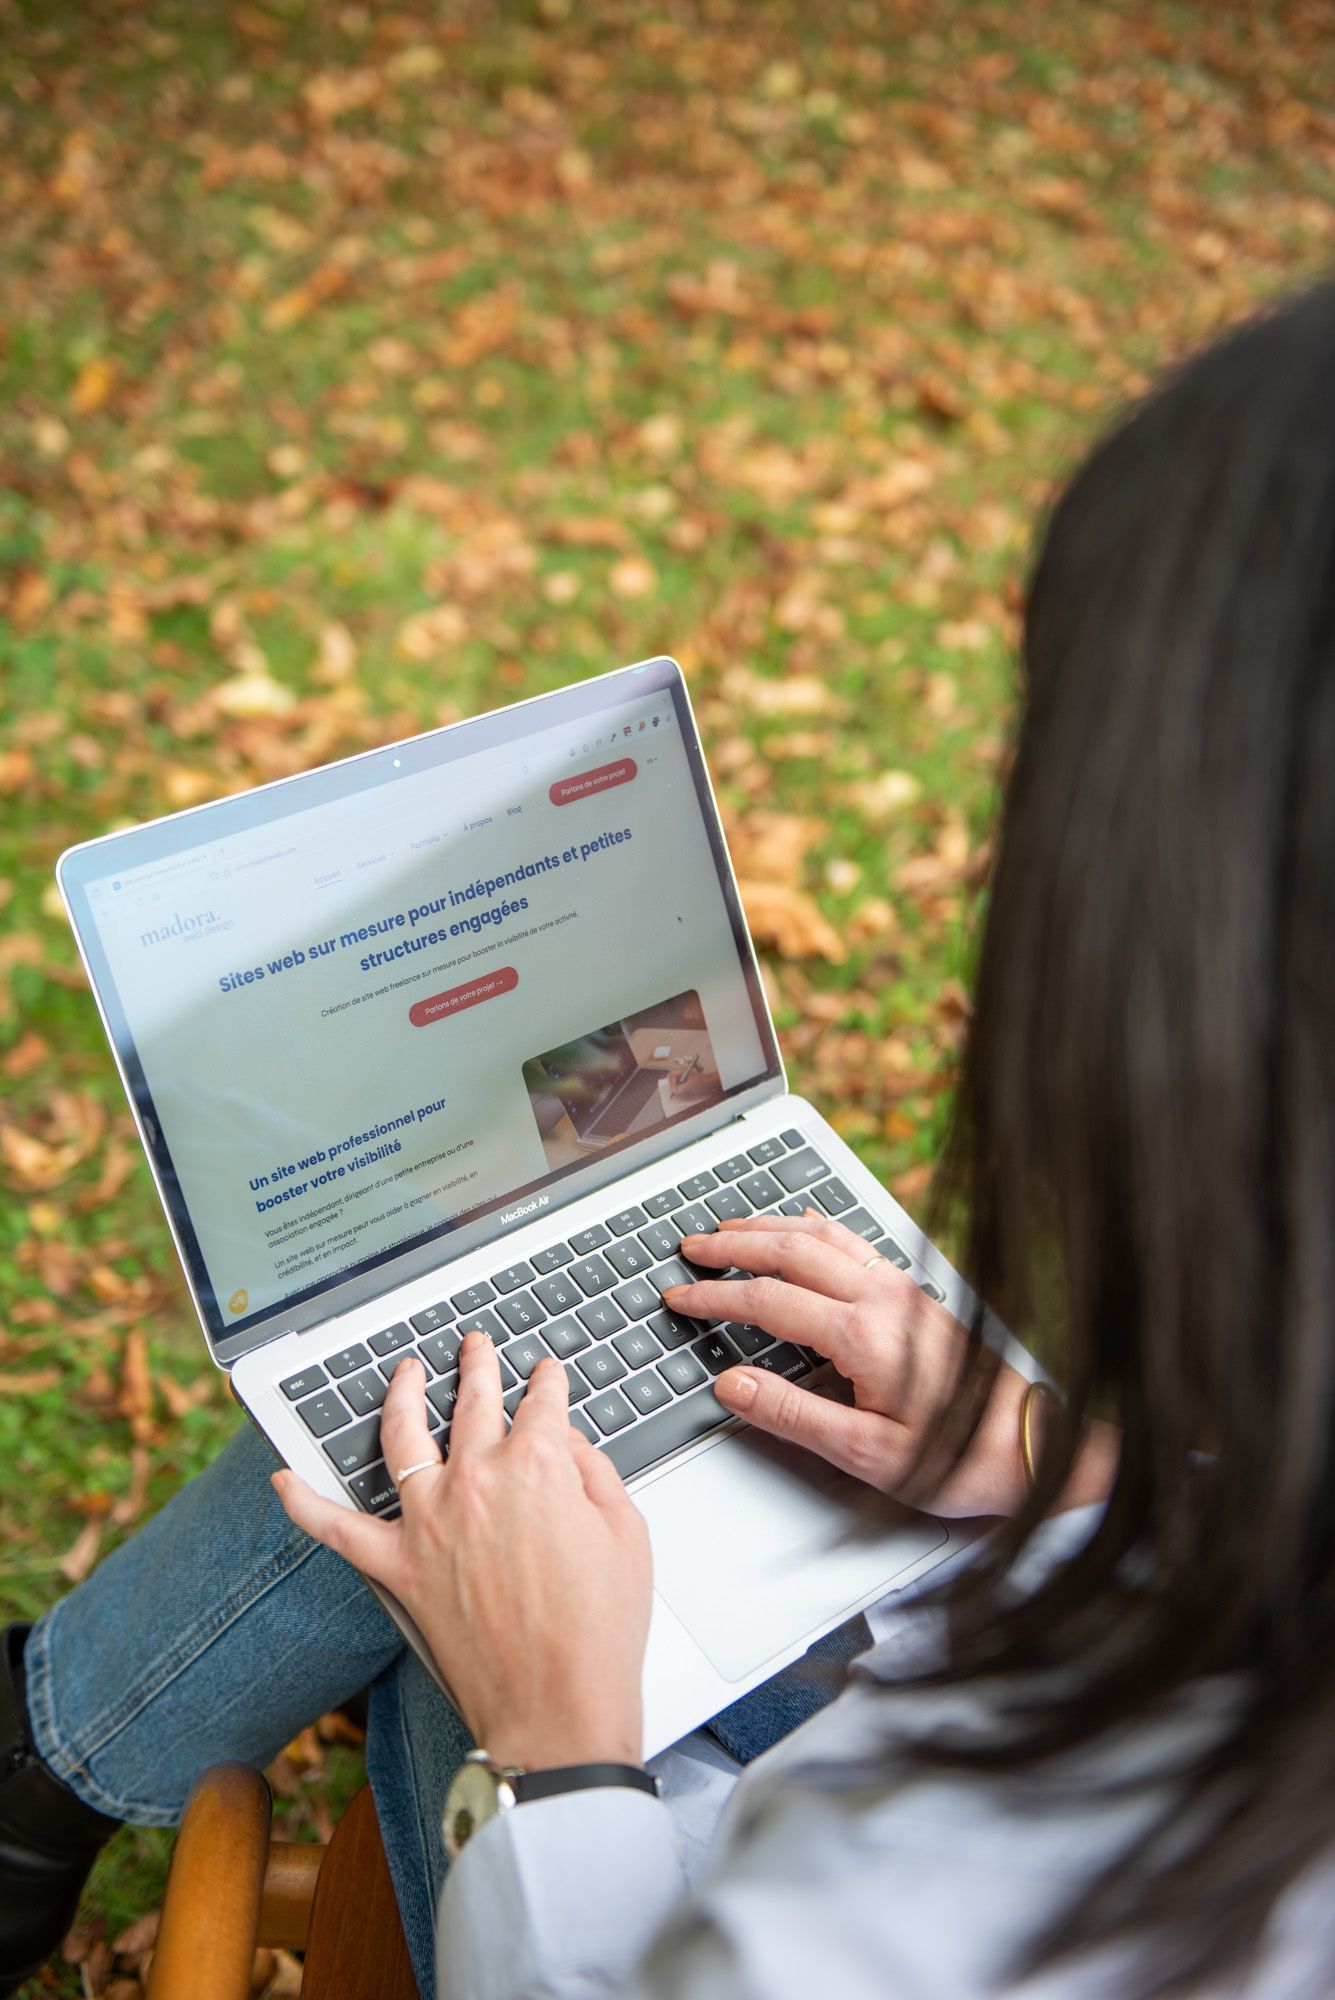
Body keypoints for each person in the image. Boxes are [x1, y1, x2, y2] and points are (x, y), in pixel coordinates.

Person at [4, 279, 1334, 2000]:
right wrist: (1069, 1465)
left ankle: (43, 1762)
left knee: (465, 1423)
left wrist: (556, 1739)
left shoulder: (968, 1899)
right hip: (1067, 1632)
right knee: (562, 1349)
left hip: (629, 1887)